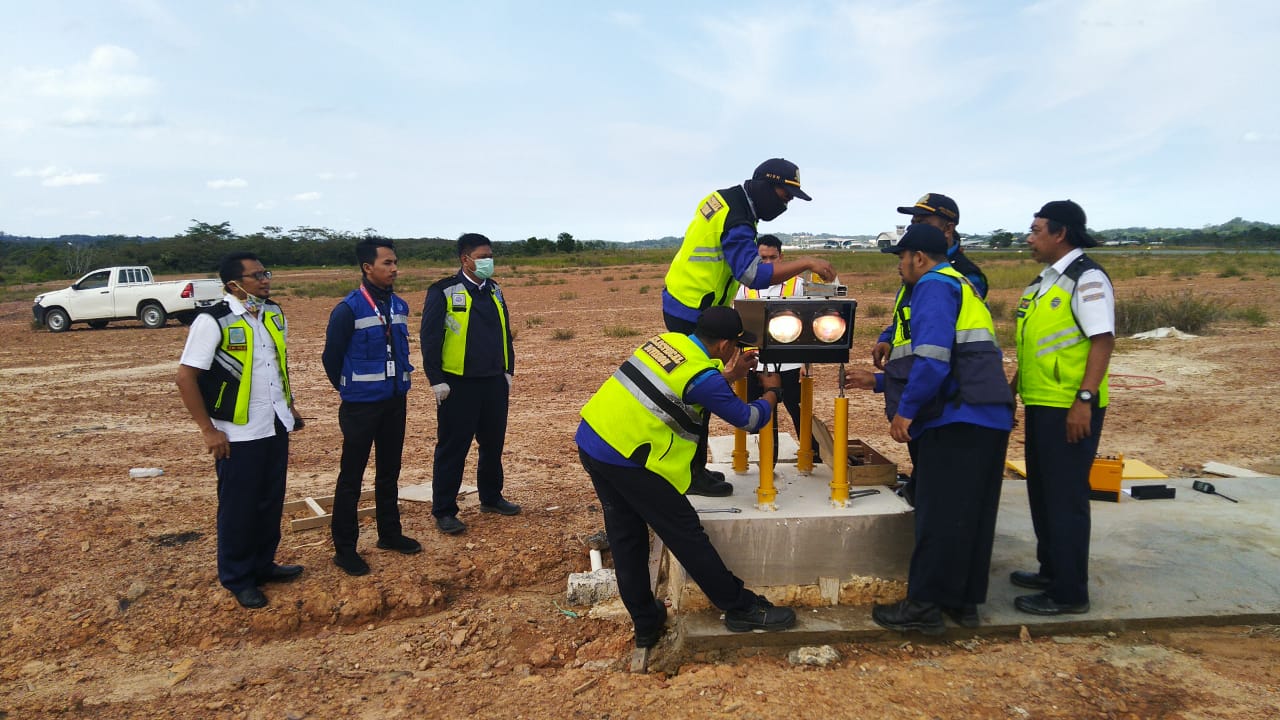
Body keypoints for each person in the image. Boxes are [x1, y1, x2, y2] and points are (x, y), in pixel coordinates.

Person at [576, 306, 798, 646]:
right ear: (725, 346)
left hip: (595, 441)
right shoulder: (703, 378)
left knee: (626, 537)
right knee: (685, 534)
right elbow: (749, 419)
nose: (736, 351)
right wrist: (772, 392)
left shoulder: (667, 341)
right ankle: (741, 608)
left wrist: (728, 376)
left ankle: (647, 624)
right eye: (736, 346)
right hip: (630, 461)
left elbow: (683, 385)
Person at [844, 224, 1014, 633]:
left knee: (937, 515)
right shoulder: (961, 285)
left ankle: (922, 610)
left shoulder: (934, 287)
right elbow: (953, 361)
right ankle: (962, 604)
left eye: (901, 258)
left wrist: (906, 411)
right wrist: (880, 382)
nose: (899, 267)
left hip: (957, 418)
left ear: (918, 257)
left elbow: (934, 361)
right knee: (970, 515)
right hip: (985, 416)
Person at [661, 158, 836, 496]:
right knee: (697, 389)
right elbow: (752, 275)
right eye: (784, 196)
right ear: (764, 185)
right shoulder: (738, 216)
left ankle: (693, 468)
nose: (784, 205)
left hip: (685, 300)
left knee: (696, 387)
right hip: (692, 310)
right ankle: (690, 473)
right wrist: (806, 262)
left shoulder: (723, 199)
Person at [175, 252, 304, 609]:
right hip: (237, 432)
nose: (265, 280)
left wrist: (289, 407)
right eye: (256, 275)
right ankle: (237, 577)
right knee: (239, 507)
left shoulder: (273, 313)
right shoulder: (212, 321)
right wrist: (208, 430)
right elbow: (186, 378)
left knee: (269, 500)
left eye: (266, 272)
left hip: (274, 423)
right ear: (233, 284)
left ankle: (263, 565)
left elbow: (275, 365)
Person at [1010, 200, 1115, 616]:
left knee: (1065, 497)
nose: (1029, 237)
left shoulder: (1085, 278)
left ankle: (1070, 592)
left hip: (1070, 406)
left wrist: (1084, 400)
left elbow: (1101, 340)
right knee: (1043, 492)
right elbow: (1033, 346)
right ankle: (1051, 570)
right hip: (1042, 402)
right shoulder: (1044, 281)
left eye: (1036, 230)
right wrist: (1013, 389)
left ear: (1060, 233)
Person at [872, 193, 988, 505]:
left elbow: (939, 346)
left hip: (942, 396)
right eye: (912, 223)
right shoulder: (920, 270)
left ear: (948, 228)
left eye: (922, 223)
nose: (912, 229)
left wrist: (907, 409)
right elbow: (907, 315)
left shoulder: (954, 275)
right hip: (921, 388)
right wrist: (886, 335)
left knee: (940, 487)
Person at [322, 238, 420, 576]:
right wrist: (351, 390)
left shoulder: (399, 305)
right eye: (387, 263)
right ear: (367, 267)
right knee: (351, 477)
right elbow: (331, 358)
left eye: (395, 263)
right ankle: (345, 549)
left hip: (395, 401)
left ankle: (389, 534)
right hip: (361, 407)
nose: (394, 269)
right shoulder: (348, 309)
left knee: (389, 472)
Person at [420, 233, 519, 535]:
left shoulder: (495, 291)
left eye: (490, 255)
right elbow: (430, 338)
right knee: (453, 447)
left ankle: (491, 497)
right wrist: (436, 380)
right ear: (465, 259)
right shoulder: (444, 291)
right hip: (458, 385)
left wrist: (508, 370)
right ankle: (445, 510)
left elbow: (505, 331)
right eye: (482, 256)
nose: (488, 261)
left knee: (492, 445)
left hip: (493, 382)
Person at [733, 234, 822, 463]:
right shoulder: (745, 287)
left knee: (798, 412)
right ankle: (767, 464)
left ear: (781, 257)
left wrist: (804, 364)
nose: (769, 263)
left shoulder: (797, 285)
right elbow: (738, 324)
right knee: (764, 415)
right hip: (756, 362)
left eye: (773, 257)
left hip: (790, 363)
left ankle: (814, 457)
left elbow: (810, 328)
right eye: (763, 258)